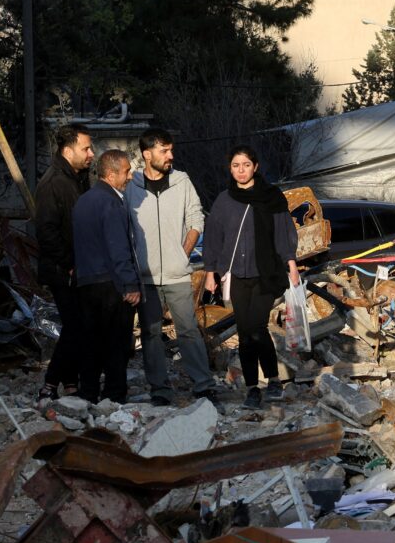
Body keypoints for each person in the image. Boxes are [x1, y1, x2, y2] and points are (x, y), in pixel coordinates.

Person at [202, 145, 300, 410]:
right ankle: (252, 388)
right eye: (236, 166)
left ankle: (273, 379)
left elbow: (284, 233)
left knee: (257, 327)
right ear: (230, 169)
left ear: (255, 167)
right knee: (246, 333)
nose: (241, 170)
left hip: (266, 273)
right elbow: (213, 238)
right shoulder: (224, 200)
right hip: (236, 275)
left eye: (246, 165)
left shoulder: (271, 196)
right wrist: (210, 272)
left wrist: (291, 265)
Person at [125, 128, 217, 406]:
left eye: (171, 150)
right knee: (151, 334)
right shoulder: (131, 186)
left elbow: (196, 218)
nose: (170, 156)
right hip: (146, 277)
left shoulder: (182, 181)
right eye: (164, 151)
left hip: (177, 275)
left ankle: (203, 386)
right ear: (147, 154)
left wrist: (182, 253)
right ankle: (160, 391)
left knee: (188, 330)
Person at [72, 150, 141, 404]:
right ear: (111, 175)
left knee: (91, 341)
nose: (130, 177)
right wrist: (130, 284)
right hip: (110, 283)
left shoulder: (83, 201)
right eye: (126, 172)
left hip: (86, 282)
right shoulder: (111, 203)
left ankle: (88, 392)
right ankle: (114, 394)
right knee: (116, 342)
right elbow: (118, 247)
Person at [33, 124, 93, 404]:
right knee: (75, 326)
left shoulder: (78, 178)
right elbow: (46, 231)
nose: (91, 154)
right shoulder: (54, 182)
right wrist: (69, 263)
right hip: (63, 270)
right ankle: (50, 384)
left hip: (77, 267)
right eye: (86, 148)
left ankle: (70, 382)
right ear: (68, 151)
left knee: (78, 326)